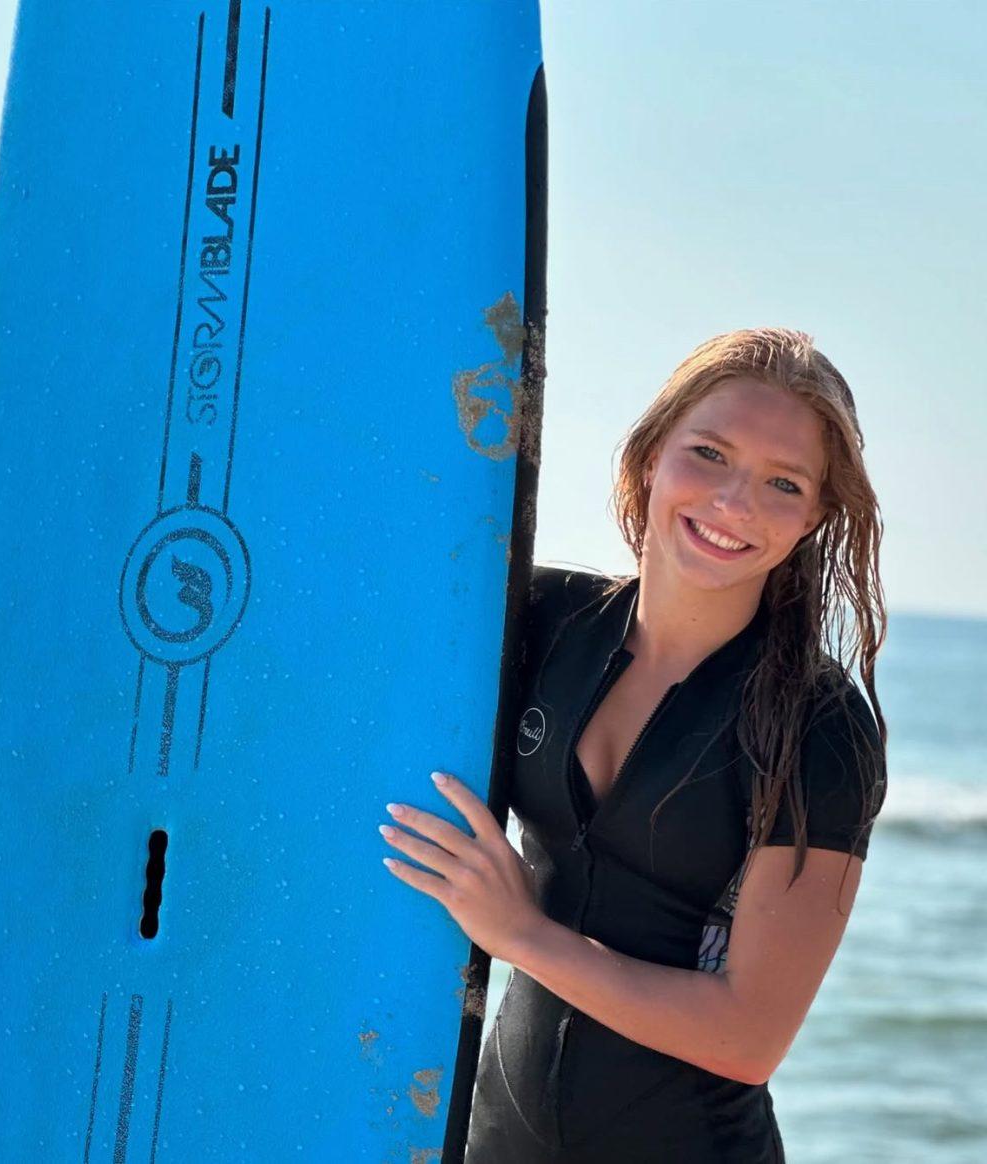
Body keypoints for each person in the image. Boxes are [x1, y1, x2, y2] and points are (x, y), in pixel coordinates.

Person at [379, 327, 889, 1162]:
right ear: (653, 453)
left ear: (814, 519)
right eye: (710, 454)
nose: (735, 503)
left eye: (783, 483)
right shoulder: (541, 621)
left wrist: (520, 934)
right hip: (496, 1140)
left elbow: (749, 1036)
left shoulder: (817, 723)